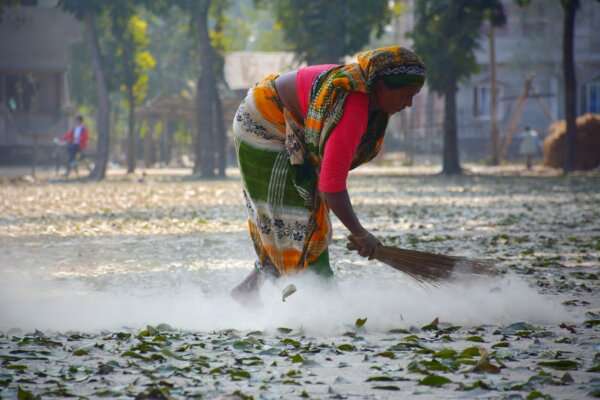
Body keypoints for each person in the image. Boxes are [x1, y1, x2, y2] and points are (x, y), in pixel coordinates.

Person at [230, 46, 426, 301]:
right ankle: (323, 306)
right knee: (299, 221)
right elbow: (331, 186)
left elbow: (330, 180)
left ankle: (249, 293)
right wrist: (360, 233)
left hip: (288, 124)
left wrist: (357, 231)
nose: (408, 104)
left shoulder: (370, 101)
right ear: (383, 87)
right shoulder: (352, 105)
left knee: (302, 222)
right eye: (406, 94)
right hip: (263, 125)